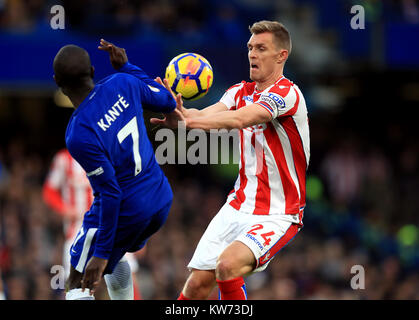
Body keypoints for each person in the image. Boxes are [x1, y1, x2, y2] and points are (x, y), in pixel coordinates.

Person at [151, 20, 310, 300]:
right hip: (238, 205)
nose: (252, 54)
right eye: (250, 47)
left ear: (281, 55)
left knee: (227, 265)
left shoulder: (287, 94)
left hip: (278, 213)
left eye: (261, 48)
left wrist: (187, 124)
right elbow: (204, 114)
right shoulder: (240, 91)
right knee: (197, 285)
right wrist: (178, 112)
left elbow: (240, 118)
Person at [52, 39, 176, 300]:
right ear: (93, 71)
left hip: (129, 207)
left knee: (77, 279)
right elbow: (167, 100)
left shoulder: (79, 133)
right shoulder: (123, 82)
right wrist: (128, 66)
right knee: (115, 263)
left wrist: (100, 253)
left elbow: (110, 193)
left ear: (58, 84)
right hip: (161, 199)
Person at [42, 148, 142, 299]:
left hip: (114, 228)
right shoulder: (64, 159)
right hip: (78, 231)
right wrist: (65, 209)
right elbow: (49, 190)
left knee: (127, 280)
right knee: (75, 286)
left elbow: (129, 192)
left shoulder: (113, 153)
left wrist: (139, 231)